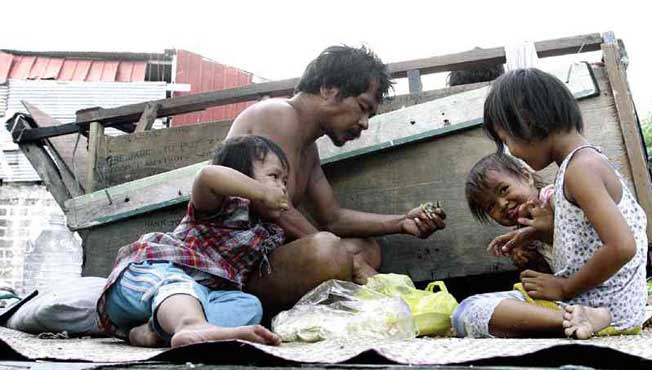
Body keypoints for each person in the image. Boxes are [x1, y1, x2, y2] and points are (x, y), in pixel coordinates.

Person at [227, 45, 447, 308]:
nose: (365, 123)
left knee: (365, 248)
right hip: (233, 266)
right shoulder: (277, 114)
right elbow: (273, 207)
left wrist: (402, 222)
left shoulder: (308, 148)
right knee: (330, 252)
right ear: (328, 89)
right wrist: (348, 261)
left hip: (265, 259)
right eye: (363, 107)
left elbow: (332, 218)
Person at [452, 68, 647, 339]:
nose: (513, 153)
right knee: (476, 310)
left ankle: (571, 321)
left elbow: (622, 246)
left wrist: (564, 287)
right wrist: (538, 233)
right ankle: (571, 320)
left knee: (468, 311)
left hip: (603, 306)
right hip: (604, 303)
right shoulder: (580, 165)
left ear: (527, 121)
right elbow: (589, 241)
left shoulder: (581, 169)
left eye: (507, 142)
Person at [96, 135, 291, 348]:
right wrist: (262, 193)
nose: (282, 188)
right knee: (179, 283)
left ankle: (156, 331)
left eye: (285, 182)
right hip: (147, 276)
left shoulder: (269, 232)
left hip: (193, 298)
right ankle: (190, 324)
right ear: (239, 177)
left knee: (249, 306)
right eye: (274, 177)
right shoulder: (220, 206)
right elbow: (207, 176)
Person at [465, 152, 552, 273]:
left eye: (504, 189)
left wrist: (543, 231)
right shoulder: (519, 233)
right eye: (491, 206)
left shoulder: (551, 199)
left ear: (527, 177)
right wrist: (526, 256)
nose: (502, 204)